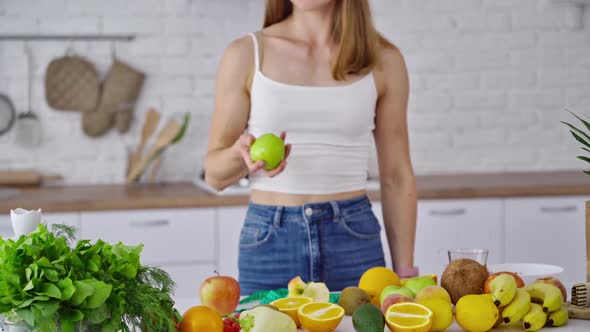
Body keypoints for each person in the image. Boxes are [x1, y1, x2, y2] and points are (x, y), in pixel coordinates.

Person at [205, 0, 418, 295]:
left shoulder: (384, 60)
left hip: (354, 238)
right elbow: (214, 175)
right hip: (269, 239)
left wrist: (405, 274)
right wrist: (239, 156)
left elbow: (397, 176)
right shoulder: (245, 54)